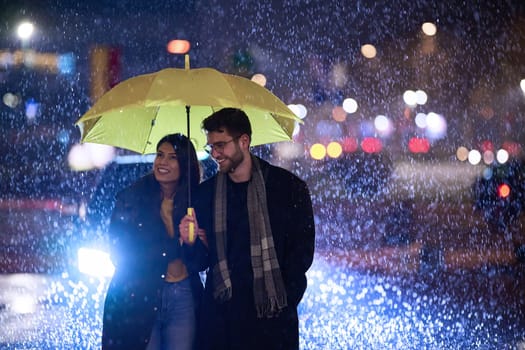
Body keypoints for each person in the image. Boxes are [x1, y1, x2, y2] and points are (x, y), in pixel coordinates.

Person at [179, 108, 316, 350]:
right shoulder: (205, 195)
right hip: (223, 322)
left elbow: (301, 254)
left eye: (221, 145)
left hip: (271, 320)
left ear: (244, 141)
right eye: (211, 147)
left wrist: (286, 299)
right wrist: (189, 242)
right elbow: (200, 262)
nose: (215, 154)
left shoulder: (288, 189)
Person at [102, 133, 206, 350]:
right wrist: (173, 242)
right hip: (141, 295)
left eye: (172, 157)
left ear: (185, 164)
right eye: (160, 155)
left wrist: (191, 243)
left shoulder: (196, 201)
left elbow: (203, 261)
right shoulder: (132, 199)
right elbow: (120, 252)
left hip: (183, 295)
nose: (162, 162)